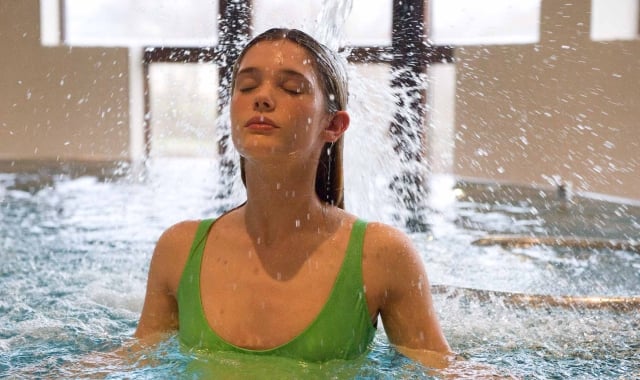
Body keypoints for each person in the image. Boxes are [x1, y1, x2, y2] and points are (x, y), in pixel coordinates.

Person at [135, 27, 452, 369]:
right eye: (246, 86)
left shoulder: (381, 256)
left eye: (291, 88)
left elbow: (440, 368)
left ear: (333, 125)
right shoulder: (179, 250)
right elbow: (135, 360)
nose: (262, 98)